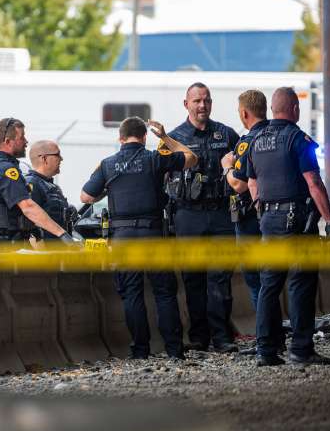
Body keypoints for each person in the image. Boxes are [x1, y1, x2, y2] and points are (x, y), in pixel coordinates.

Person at [226, 87, 330, 367]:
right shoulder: (299, 139)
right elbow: (313, 183)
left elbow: (250, 183)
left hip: (269, 222)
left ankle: (266, 351)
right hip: (298, 220)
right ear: (295, 110)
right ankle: (300, 349)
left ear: (273, 110)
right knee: (301, 284)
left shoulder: (255, 140)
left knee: (268, 286)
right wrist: (329, 221)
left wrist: (263, 211)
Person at [81, 117, 198, 359]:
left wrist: (108, 187)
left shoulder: (107, 164)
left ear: (120, 138)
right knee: (164, 293)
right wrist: (165, 137)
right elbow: (191, 158)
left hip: (123, 237)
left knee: (131, 293)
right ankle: (174, 350)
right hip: (153, 234)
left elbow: (86, 197)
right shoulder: (155, 159)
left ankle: (141, 350)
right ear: (144, 137)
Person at [165, 82, 242, 353]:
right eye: (197, 101)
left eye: (207, 100)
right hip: (188, 215)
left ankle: (222, 337)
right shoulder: (174, 138)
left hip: (221, 213)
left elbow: (244, 169)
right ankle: (199, 337)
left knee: (221, 278)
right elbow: (160, 179)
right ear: (186, 104)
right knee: (193, 279)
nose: (202, 105)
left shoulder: (227, 134)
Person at [0, 117, 76, 247]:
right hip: (6, 249)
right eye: (22, 137)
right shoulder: (5, 170)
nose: (26, 142)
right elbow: (28, 207)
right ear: (8, 141)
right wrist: (62, 234)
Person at [221, 90, 269, 311]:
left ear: (244, 113)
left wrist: (227, 167)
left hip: (250, 218)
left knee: (255, 280)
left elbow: (239, 184)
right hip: (277, 217)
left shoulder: (246, 142)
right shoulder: (277, 134)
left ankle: (266, 339)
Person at [26, 140, 76, 240]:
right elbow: (29, 223)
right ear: (44, 159)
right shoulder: (32, 184)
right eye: (58, 154)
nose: (61, 159)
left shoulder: (52, 187)